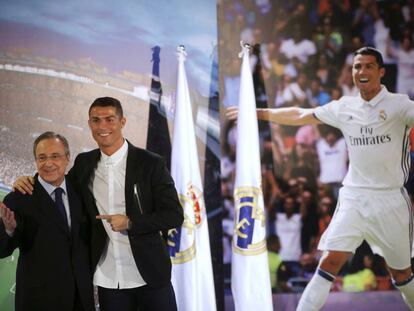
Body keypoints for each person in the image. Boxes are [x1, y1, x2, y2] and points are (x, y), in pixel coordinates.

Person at [227, 47, 414, 310]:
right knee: (328, 263)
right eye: (357, 66)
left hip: (390, 200)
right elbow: (300, 114)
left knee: (402, 275)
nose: (362, 71)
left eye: (369, 66)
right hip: (354, 197)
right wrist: (257, 113)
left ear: (381, 72)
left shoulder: (400, 105)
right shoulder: (345, 107)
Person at [14, 97, 184, 311]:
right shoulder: (85, 163)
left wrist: (131, 222)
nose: (103, 126)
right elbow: (56, 180)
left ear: (122, 122)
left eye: (109, 119)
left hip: (150, 275)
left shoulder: (150, 163)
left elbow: (174, 215)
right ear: (89, 124)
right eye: (96, 120)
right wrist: (28, 180)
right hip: (109, 279)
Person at [0, 131, 94, 311]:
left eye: (55, 156)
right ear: (35, 161)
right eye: (41, 157)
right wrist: (9, 230)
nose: (48, 163)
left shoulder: (82, 193)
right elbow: (2, 249)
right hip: (39, 300)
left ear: (68, 158)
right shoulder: (18, 198)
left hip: (80, 299)